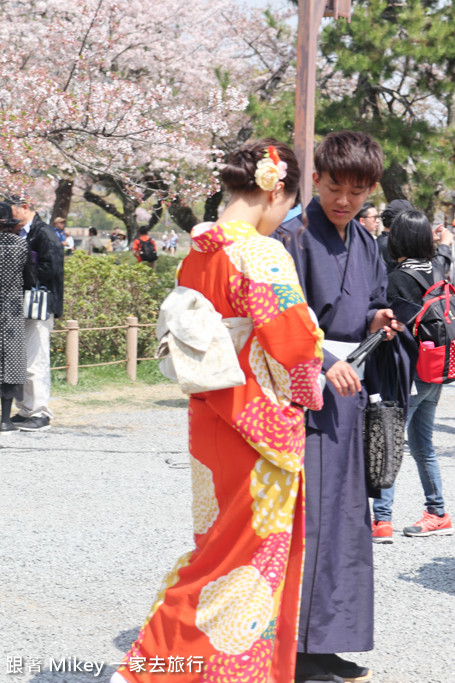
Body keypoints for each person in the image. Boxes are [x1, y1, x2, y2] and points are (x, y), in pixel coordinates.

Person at [112, 139, 324, 683]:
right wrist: (312, 388)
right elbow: (298, 343)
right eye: (289, 204)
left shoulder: (199, 250)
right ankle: (149, 669)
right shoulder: (258, 251)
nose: (286, 217)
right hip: (258, 429)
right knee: (246, 563)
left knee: (217, 552)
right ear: (275, 187)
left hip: (211, 418)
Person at [274, 130, 409, 683]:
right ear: (318, 181)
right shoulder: (293, 237)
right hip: (305, 398)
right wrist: (322, 356)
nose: (344, 201)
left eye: (357, 191)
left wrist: (379, 319)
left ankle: (328, 639)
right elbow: (280, 319)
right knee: (309, 520)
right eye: (334, 187)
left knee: (346, 520)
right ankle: (294, 647)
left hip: (349, 397)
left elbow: (373, 300)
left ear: (370, 189)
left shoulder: (366, 240)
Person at [372, 210, 453, 542]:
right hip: (437, 370)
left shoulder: (398, 277)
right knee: (422, 444)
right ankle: (437, 513)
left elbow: (394, 328)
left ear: (398, 239)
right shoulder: (437, 269)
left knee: (390, 441)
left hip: (410, 373)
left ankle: (382, 520)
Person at [8, 194, 64, 431]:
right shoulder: (19, 233)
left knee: (36, 359)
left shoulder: (44, 233)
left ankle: (40, 412)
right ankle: (26, 409)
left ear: (23, 208)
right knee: (22, 361)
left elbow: (50, 268)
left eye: (9, 213)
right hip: (22, 305)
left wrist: (18, 275)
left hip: (39, 306)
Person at [0, 203, 35, 433]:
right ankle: (5, 420)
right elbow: (30, 279)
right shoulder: (21, 245)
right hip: (11, 310)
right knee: (10, 364)